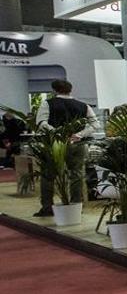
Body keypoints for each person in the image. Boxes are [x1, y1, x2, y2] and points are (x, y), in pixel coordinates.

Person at [35, 79, 98, 217]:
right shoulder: (83, 105)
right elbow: (95, 125)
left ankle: (47, 207)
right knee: (77, 175)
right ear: (71, 90)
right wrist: (79, 135)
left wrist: (58, 133)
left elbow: (41, 123)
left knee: (48, 175)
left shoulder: (47, 104)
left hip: (54, 144)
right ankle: (76, 205)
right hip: (77, 144)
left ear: (54, 90)